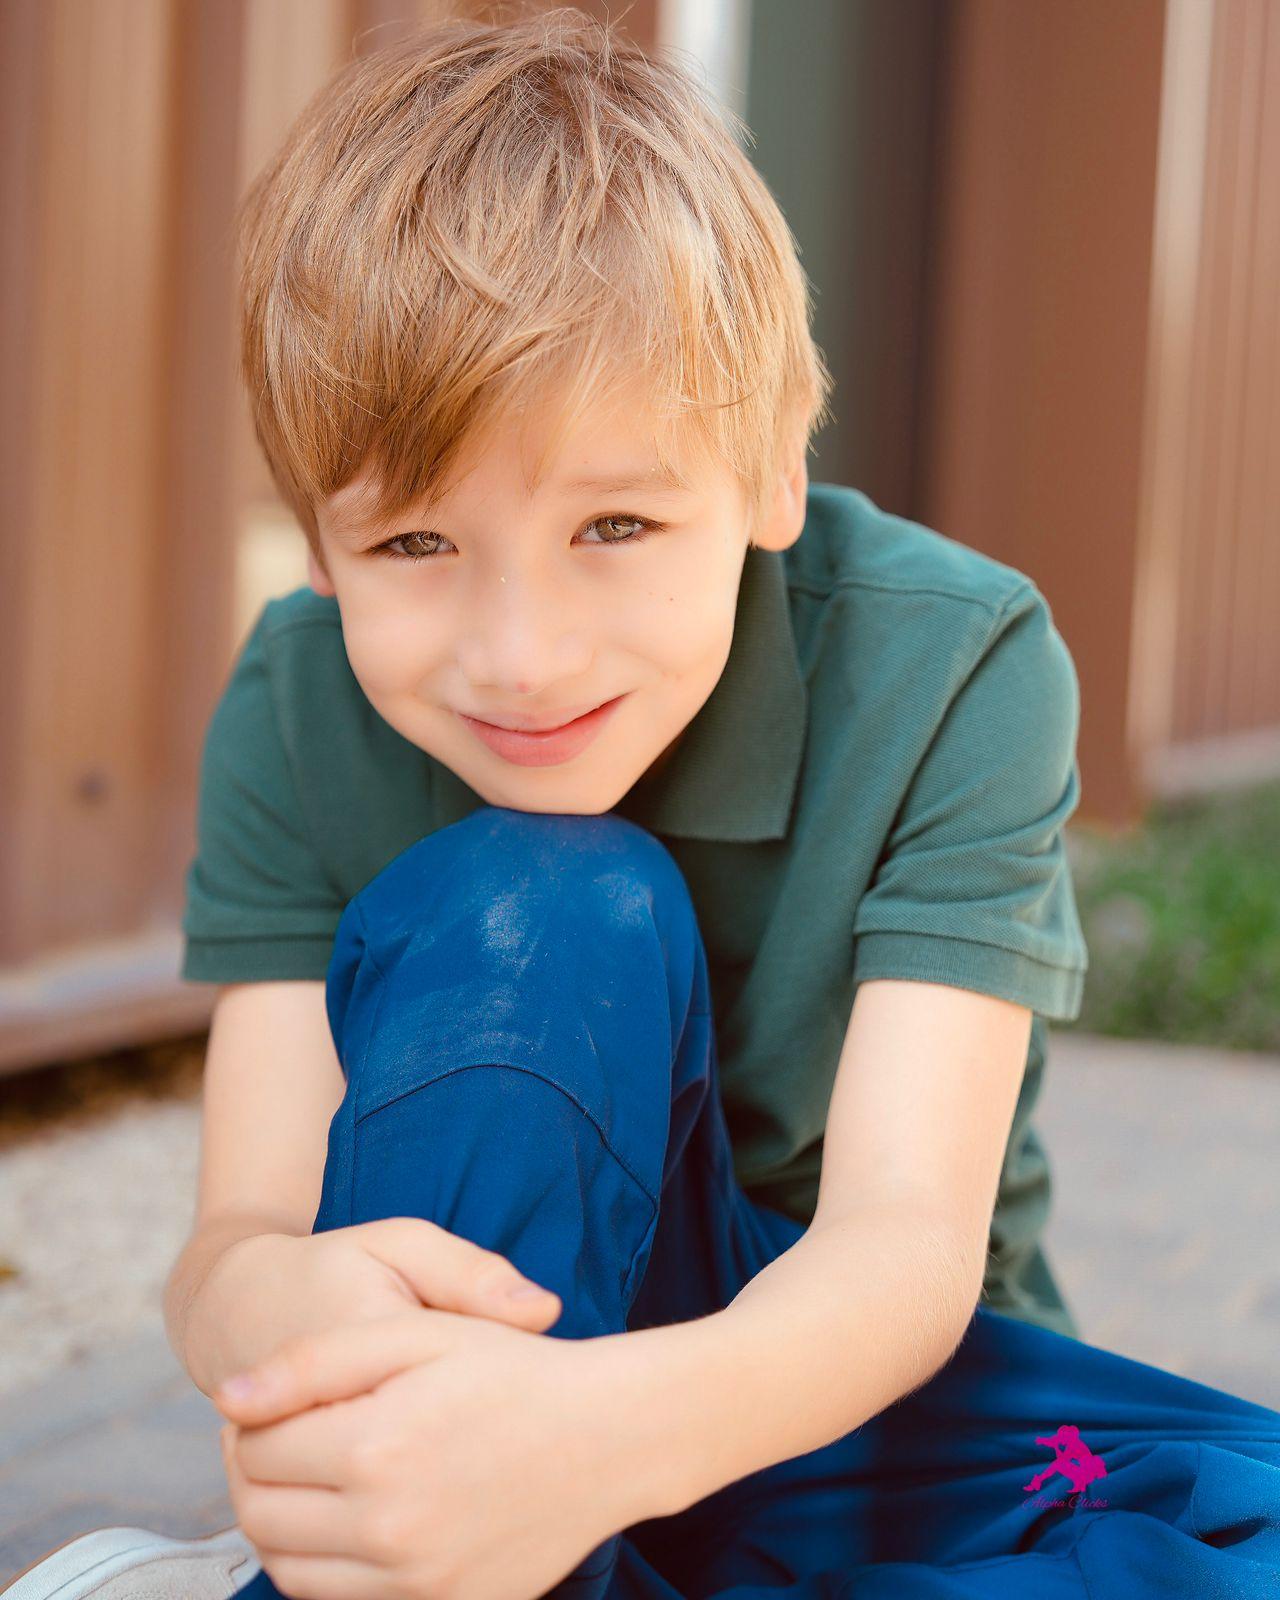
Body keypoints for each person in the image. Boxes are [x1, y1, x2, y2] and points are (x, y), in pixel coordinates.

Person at [9, 8, 1279, 1599]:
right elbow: (240, 1233)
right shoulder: (295, 695)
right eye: (414, 546)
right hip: (493, 1368)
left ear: (770, 472)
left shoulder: (956, 659)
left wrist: (594, 1444)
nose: (522, 656)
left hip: (868, 1398)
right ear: (319, 545)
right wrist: (294, 1331)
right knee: (541, 899)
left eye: (614, 526)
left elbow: (901, 1250)